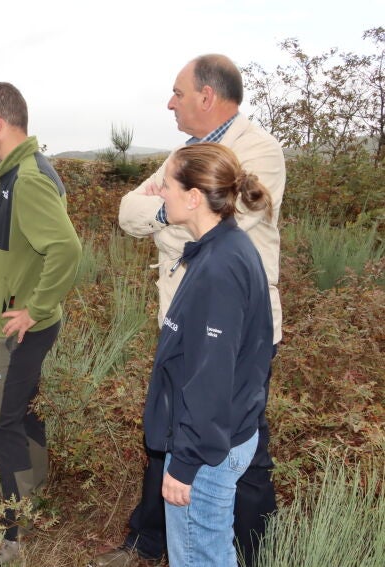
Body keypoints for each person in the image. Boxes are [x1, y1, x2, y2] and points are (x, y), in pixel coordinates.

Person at [91, 54, 284, 567]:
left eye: (178, 92)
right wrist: (164, 209)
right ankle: (155, 537)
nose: (169, 102)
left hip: (232, 326)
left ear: (207, 95)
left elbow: (229, 215)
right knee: (179, 435)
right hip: (186, 316)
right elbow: (129, 214)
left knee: (229, 444)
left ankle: (248, 549)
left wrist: (167, 209)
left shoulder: (259, 150)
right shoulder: (187, 154)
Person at [0, 82, 82, 567]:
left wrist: (34, 307)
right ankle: (34, 493)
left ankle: (10, 541)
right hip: (10, 324)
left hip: (14, 331)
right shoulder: (14, 172)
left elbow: (66, 248)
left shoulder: (27, 177)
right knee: (23, 411)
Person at [143, 142, 274, 566]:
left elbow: (211, 376)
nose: (161, 192)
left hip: (207, 452)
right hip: (219, 438)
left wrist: (185, 463)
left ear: (194, 196)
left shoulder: (220, 266)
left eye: (167, 185)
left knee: (200, 556)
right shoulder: (223, 249)